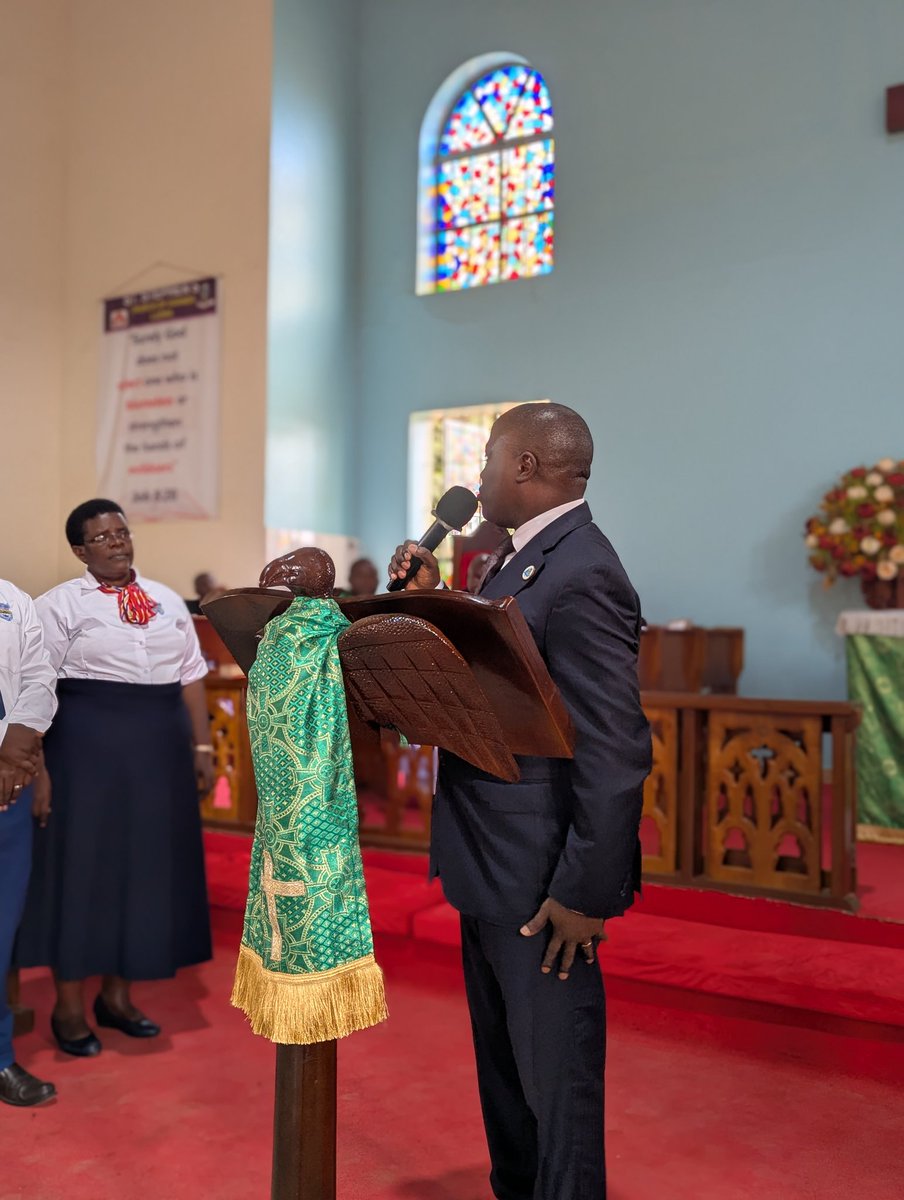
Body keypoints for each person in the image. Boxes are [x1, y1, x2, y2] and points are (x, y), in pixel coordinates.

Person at [389, 403, 651, 1200]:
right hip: (492, 864)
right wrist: (429, 598)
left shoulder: (585, 569)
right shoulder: (516, 562)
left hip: (545, 882)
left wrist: (584, 889)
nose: (478, 478)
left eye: (490, 458)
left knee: (555, 1087)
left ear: (528, 466)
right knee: (506, 1081)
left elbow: (615, 748)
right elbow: (493, 681)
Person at [14, 500, 215, 1057]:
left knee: (144, 871)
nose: (117, 543)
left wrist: (200, 746)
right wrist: (41, 769)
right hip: (85, 751)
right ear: (80, 551)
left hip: (159, 754)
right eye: (102, 537)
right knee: (82, 873)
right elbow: (37, 686)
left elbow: (191, 676)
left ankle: (119, 998)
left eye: (122, 532)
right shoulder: (56, 606)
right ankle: (70, 1007)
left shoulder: (168, 600)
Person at [0, 577, 57, 1106]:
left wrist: (16, 750)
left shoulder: (12, 600)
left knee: (0, 929)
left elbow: (39, 676)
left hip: (7, 791)